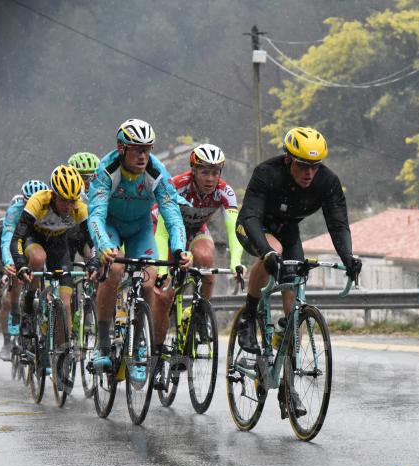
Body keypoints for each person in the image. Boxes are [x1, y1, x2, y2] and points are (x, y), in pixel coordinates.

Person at [234, 126, 362, 417]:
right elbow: (251, 215)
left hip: (288, 230)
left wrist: (348, 256)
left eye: (315, 167)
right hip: (254, 227)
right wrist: (265, 251)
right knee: (274, 251)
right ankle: (249, 317)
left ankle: (288, 389)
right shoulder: (267, 173)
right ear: (289, 160)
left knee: (295, 305)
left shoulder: (327, 182)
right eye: (304, 166)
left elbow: (338, 223)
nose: (309, 173)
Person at [87, 118, 191, 382]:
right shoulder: (105, 170)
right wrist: (104, 246)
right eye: (137, 149)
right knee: (114, 270)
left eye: (148, 149)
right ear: (122, 148)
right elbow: (96, 216)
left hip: (141, 228)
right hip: (110, 226)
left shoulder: (157, 172)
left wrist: (179, 249)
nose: (144, 155)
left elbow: (172, 215)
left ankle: (139, 346)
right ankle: (102, 344)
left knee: (148, 282)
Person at [152, 143, 245, 343]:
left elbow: (234, 230)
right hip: (165, 232)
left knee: (206, 258)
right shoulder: (177, 185)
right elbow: (160, 233)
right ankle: (157, 348)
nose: (210, 178)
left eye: (215, 172)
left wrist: (236, 262)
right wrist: (161, 271)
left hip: (195, 230)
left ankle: (200, 313)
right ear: (193, 171)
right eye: (204, 172)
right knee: (164, 297)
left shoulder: (225, 191)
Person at [10, 166, 94, 353]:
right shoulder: (38, 201)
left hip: (59, 245)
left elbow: (92, 241)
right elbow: (17, 238)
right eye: (64, 200)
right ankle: (30, 305)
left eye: (72, 201)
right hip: (35, 239)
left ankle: (62, 355)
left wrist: (94, 261)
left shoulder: (79, 208)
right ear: (54, 195)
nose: (68, 206)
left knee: (64, 304)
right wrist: (21, 264)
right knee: (39, 259)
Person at [0, 180, 48, 361]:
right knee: (17, 274)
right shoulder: (14, 210)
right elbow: (7, 239)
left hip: (38, 244)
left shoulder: (48, 206)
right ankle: (15, 313)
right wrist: (9, 262)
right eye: (28, 201)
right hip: (18, 243)